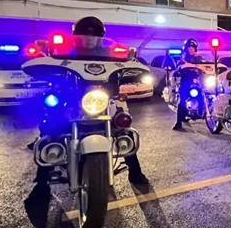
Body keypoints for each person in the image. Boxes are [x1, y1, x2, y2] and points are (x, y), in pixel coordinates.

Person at [32, 16, 147, 192]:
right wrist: (44, 63)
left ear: (100, 37)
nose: (89, 38)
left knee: (123, 127)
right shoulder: (66, 53)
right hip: (72, 101)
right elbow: (53, 66)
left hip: (102, 100)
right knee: (50, 126)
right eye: (84, 35)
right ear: (76, 37)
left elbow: (123, 68)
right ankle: (41, 181)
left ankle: (135, 172)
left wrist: (133, 67)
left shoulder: (110, 55)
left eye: (94, 35)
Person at [172, 38, 206, 131]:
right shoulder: (183, 59)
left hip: (198, 81)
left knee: (208, 94)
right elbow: (178, 67)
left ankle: (203, 113)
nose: (191, 50)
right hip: (187, 81)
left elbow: (206, 65)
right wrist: (181, 68)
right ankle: (178, 122)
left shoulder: (199, 58)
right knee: (182, 101)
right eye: (189, 48)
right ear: (186, 49)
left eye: (193, 48)